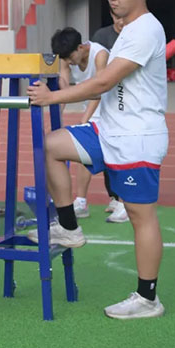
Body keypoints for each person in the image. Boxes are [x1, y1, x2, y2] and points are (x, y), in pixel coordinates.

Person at [26, 0, 168, 319]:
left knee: (140, 216)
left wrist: (51, 98)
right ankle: (69, 228)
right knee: (52, 146)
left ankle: (147, 298)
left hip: (137, 137)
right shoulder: (127, 31)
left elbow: (105, 82)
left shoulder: (148, 30)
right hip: (108, 131)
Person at [51, 27, 129, 223]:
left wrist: (84, 119)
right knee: (80, 151)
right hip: (93, 110)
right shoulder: (66, 59)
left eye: (70, 57)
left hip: (112, 108)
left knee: (112, 155)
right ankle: (81, 202)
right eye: (64, 59)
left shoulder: (100, 55)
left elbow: (101, 89)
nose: (68, 62)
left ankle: (123, 203)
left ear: (80, 47)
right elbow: (64, 91)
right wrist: (56, 119)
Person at [89, 11, 130, 221]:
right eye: (116, 18)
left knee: (124, 151)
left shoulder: (135, 36)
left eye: (123, 18)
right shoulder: (102, 37)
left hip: (125, 98)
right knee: (107, 153)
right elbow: (101, 77)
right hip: (106, 97)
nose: (120, 22)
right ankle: (115, 198)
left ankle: (127, 199)